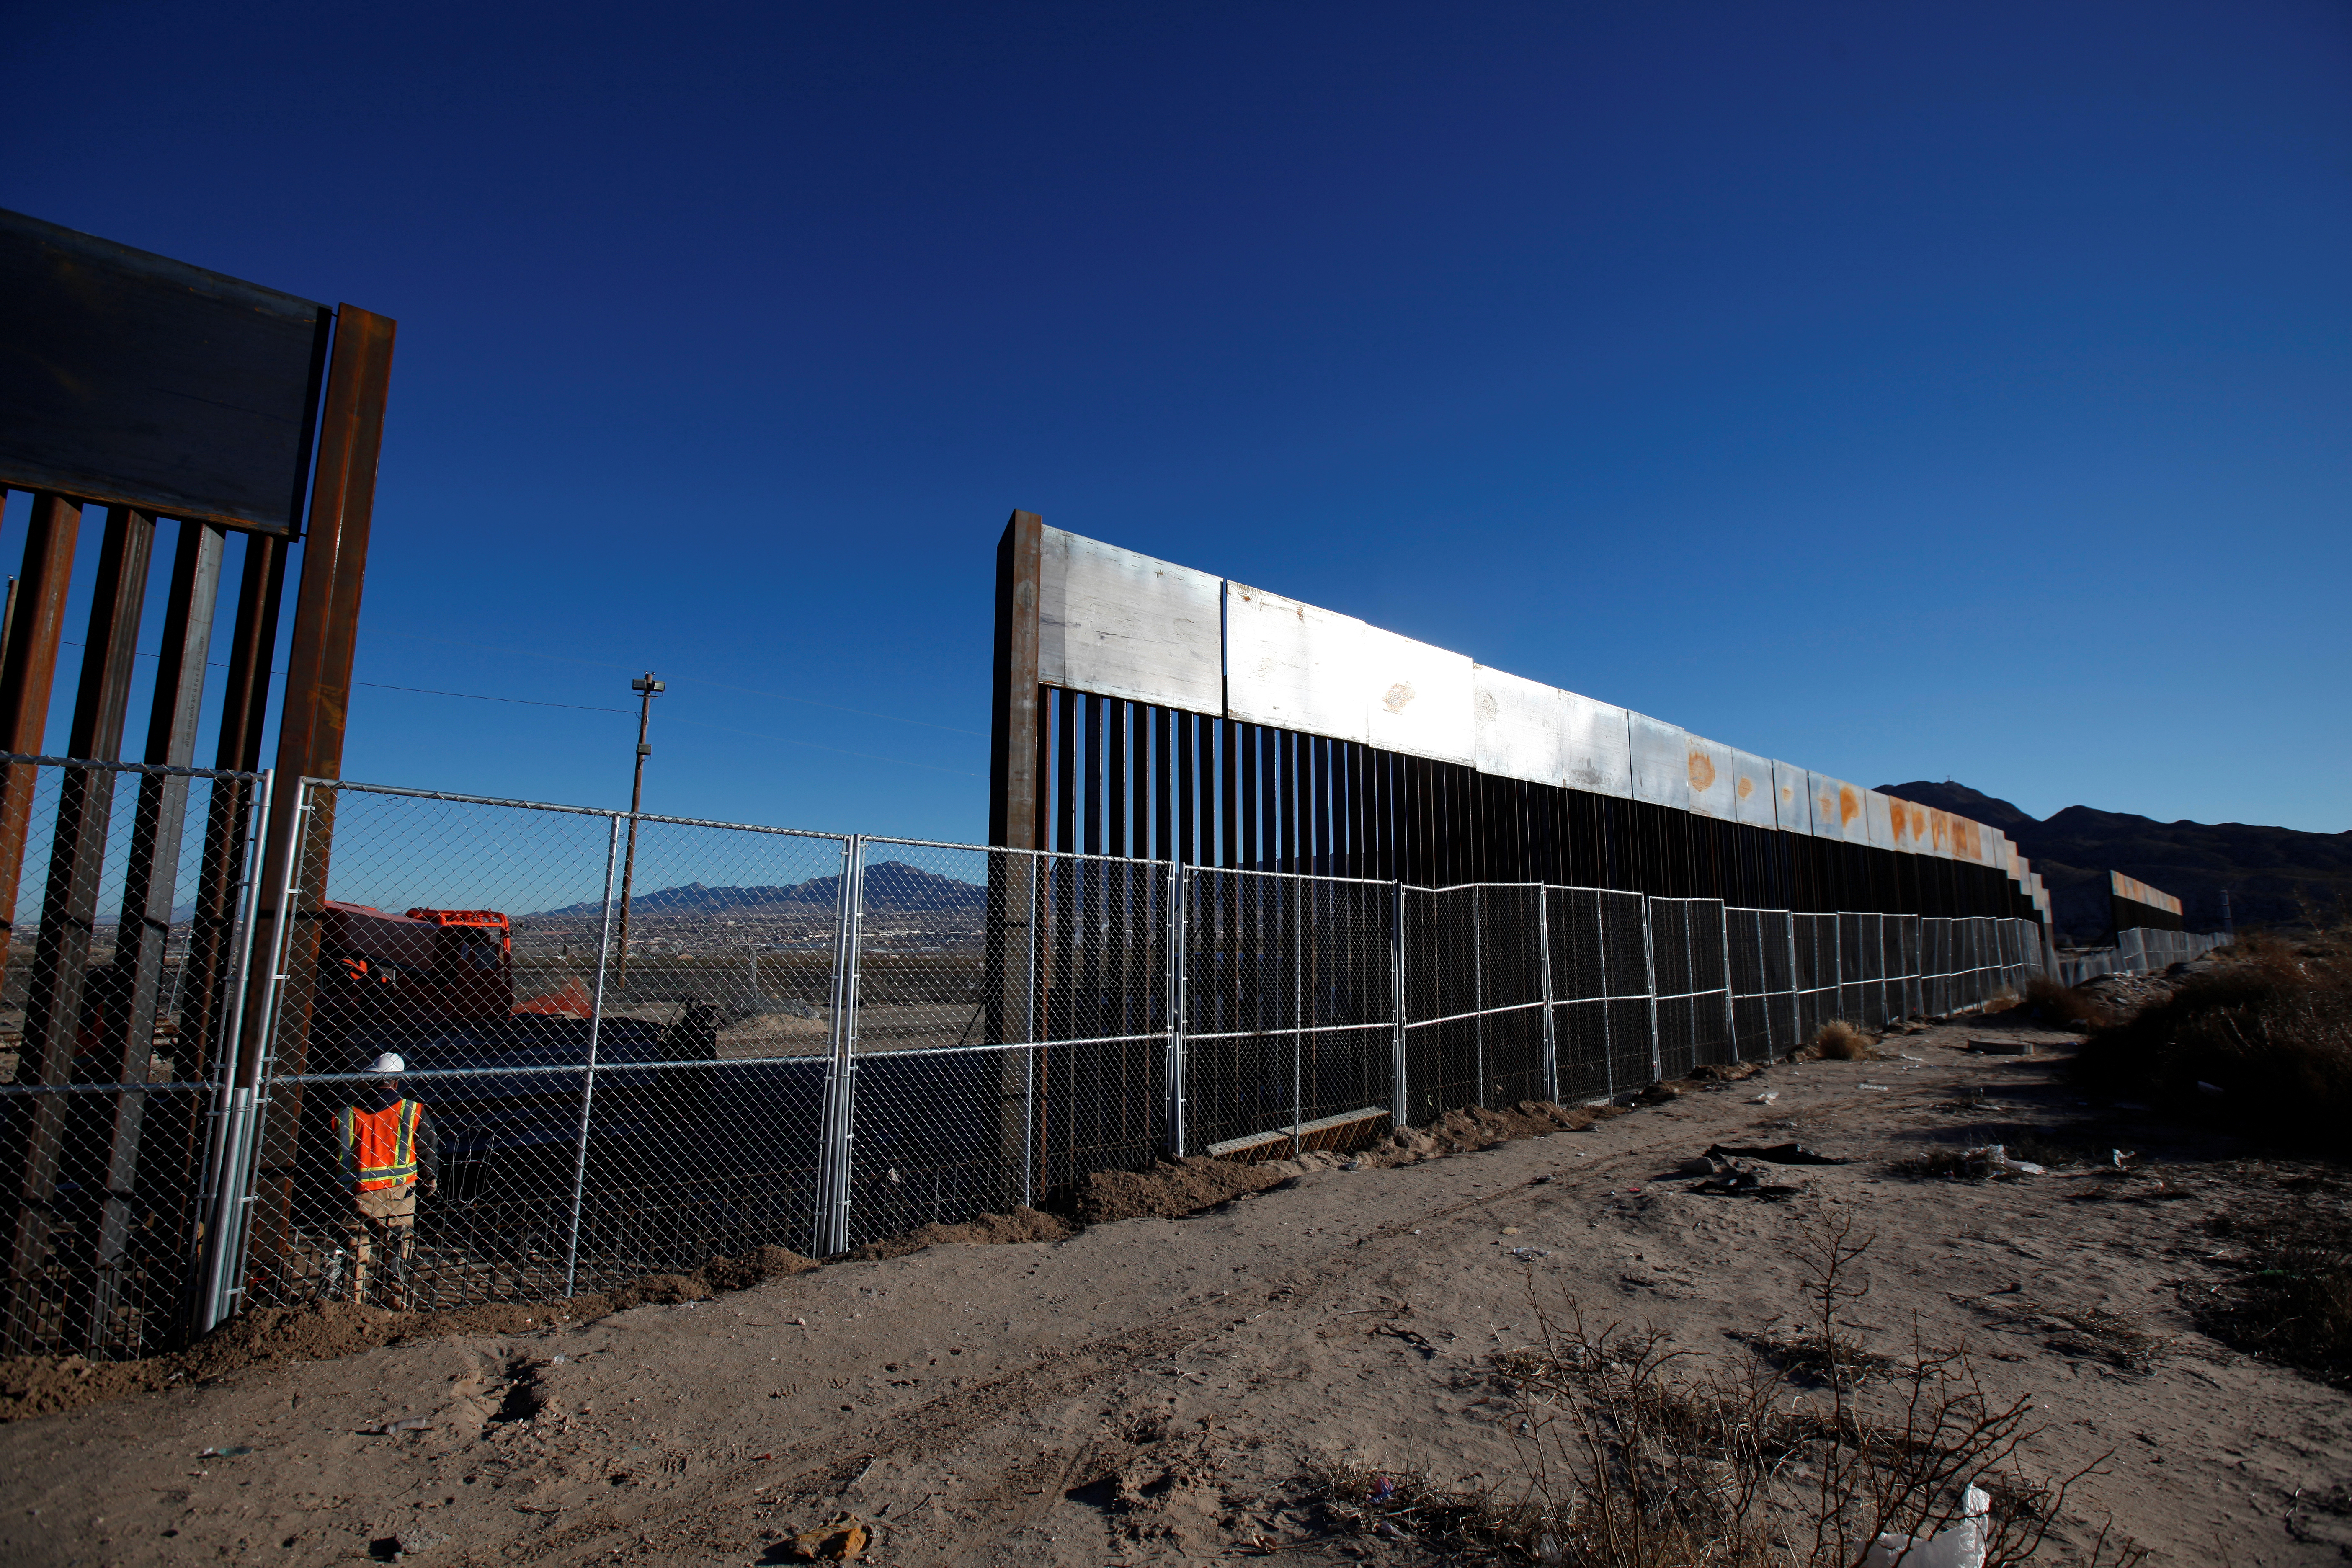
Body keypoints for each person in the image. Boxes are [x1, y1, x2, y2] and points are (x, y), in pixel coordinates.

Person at [334, 1053, 438, 1308]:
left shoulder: (346, 1114)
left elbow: (333, 1154)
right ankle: (397, 1302)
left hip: (356, 1194)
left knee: (356, 1249)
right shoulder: (412, 1111)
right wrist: (429, 1182)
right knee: (398, 1248)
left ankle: (352, 1303)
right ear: (398, 1082)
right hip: (398, 1194)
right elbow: (427, 1150)